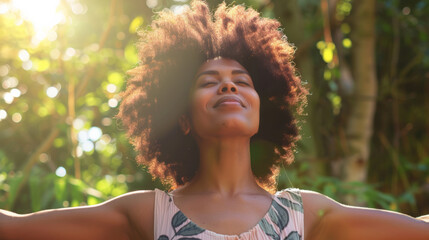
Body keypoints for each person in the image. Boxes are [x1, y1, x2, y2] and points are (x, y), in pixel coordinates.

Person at [1, 1, 428, 239]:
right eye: (209, 81)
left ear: (264, 110)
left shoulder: (305, 214)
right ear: (183, 118)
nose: (228, 87)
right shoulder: (148, 214)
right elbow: (14, 229)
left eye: (241, 81)